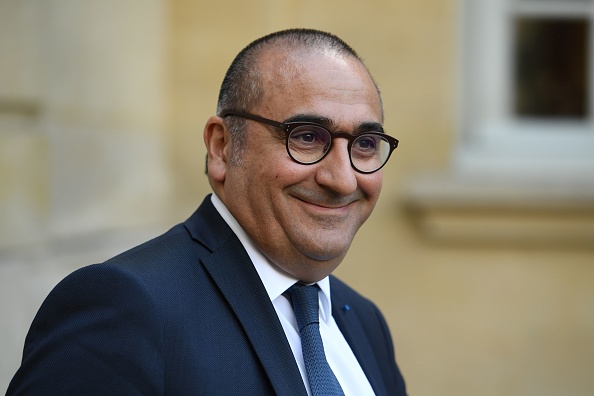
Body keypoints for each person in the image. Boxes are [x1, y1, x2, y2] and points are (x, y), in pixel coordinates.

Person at [7, 28, 406, 395]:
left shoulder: (364, 323)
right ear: (222, 148)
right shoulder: (126, 308)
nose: (343, 179)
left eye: (365, 144)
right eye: (305, 137)